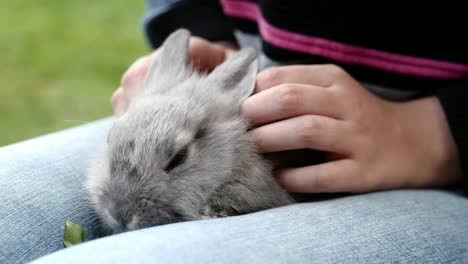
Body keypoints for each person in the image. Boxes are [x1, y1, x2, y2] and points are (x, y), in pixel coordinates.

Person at [1, 1, 467, 263]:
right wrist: (209, 34)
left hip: (442, 167)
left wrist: (436, 133)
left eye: (178, 158)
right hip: (238, 91)